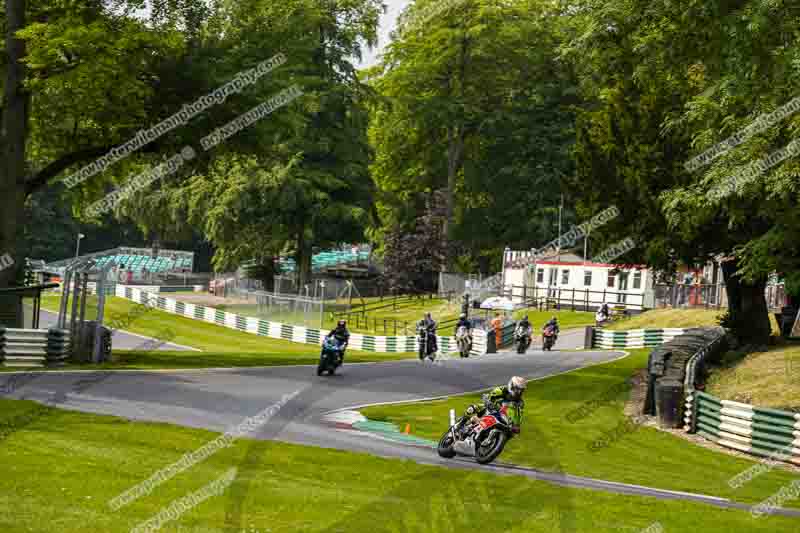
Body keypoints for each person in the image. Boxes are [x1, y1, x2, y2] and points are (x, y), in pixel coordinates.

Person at [460, 376, 527, 435]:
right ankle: (460, 424)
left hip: (500, 420)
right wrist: (488, 401)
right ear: (511, 386)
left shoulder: (520, 403)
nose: (518, 392)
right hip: (488, 410)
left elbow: (518, 416)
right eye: (517, 389)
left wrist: (516, 426)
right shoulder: (501, 391)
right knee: (472, 409)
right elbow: (489, 396)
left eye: (521, 390)